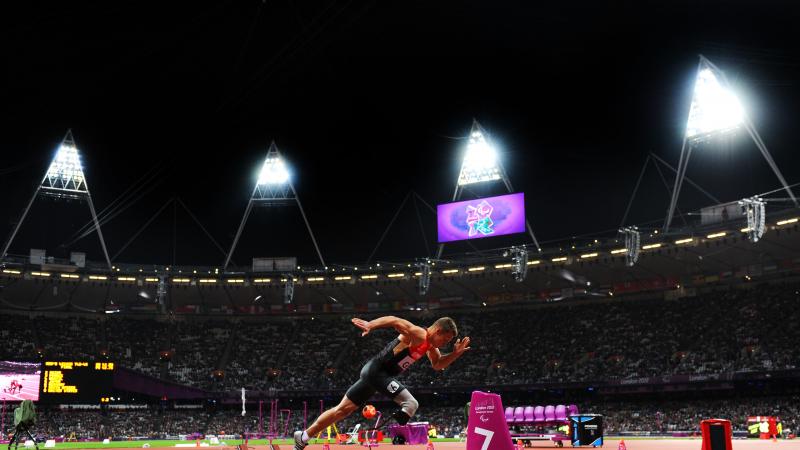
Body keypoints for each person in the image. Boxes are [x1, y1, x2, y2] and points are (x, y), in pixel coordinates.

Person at [293, 316, 471, 450]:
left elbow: (438, 365)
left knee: (342, 410)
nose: (446, 344)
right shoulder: (419, 333)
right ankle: (403, 414)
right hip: (377, 371)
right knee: (411, 403)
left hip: (376, 378)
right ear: (438, 331)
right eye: (446, 340)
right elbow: (395, 320)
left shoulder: (431, 347)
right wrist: (371, 325)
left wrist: (455, 354)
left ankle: (303, 437)